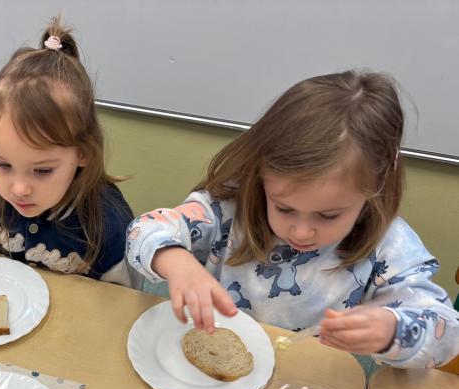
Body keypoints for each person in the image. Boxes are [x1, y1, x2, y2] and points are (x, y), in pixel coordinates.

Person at [126, 71, 459, 368]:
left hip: (311, 382)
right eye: (284, 208)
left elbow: (447, 335)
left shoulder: (390, 246)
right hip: (220, 375)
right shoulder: (228, 208)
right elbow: (144, 230)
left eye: (328, 215)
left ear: (375, 187)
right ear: (262, 178)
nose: (301, 232)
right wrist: (177, 263)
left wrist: (393, 331)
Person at [0, 18, 135, 286]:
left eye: (42, 170)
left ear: (83, 152)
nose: (19, 189)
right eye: (3, 165)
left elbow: (122, 301)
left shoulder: (108, 223)